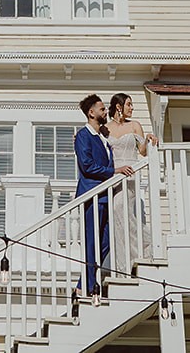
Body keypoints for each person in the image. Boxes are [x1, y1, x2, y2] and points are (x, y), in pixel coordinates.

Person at [74, 93, 131, 301]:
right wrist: (115, 171)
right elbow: (87, 166)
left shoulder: (102, 138)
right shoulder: (83, 136)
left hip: (106, 195)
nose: (105, 111)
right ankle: (87, 285)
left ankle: (82, 284)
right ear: (91, 112)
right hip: (92, 195)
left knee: (106, 241)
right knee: (91, 242)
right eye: (102, 109)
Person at [107, 93, 157, 255]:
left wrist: (147, 139)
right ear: (118, 107)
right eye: (129, 104)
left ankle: (145, 246)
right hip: (112, 175)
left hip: (129, 174)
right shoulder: (105, 128)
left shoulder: (135, 125)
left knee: (118, 208)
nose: (132, 108)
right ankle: (125, 256)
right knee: (119, 216)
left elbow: (142, 152)